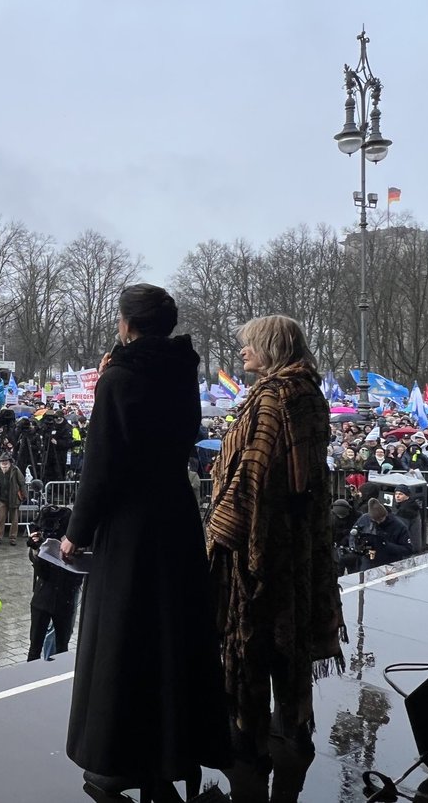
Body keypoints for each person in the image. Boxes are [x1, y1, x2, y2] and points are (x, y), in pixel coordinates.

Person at [60, 284, 230, 802]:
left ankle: (119, 753)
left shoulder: (119, 378)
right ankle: (174, 745)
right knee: (172, 635)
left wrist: (75, 533)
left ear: (127, 323)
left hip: (129, 526)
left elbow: (102, 466)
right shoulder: (183, 371)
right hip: (174, 517)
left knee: (125, 636)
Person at [206, 314, 346, 800]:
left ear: (270, 346)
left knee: (254, 638)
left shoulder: (273, 396)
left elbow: (254, 477)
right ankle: (294, 724)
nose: (242, 352)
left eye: (249, 345)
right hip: (299, 539)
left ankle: (250, 735)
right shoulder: (308, 391)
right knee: (291, 634)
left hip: (261, 543)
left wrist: (218, 534)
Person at [26, 494, 83, 660]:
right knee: (34, 648)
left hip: (65, 600)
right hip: (42, 599)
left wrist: (73, 552)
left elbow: (78, 576)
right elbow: (41, 572)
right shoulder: (43, 544)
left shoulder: (75, 545)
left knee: (61, 648)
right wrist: (38, 549)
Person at [346, 498, 413, 571]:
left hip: (389, 563)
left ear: (385, 515)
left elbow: (408, 549)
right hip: (368, 562)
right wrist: (355, 546)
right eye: (375, 521)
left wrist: (386, 545)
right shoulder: (365, 519)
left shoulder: (398, 526)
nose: (378, 522)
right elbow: (353, 534)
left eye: (381, 520)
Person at [0, 452, 25, 545]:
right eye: (2, 461)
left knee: (15, 520)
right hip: (2, 498)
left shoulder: (15, 469)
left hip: (14, 498)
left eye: (6, 461)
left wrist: (24, 495)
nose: (4, 463)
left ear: (9, 462)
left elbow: (22, 482)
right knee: (0, 519)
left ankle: (13, 538)